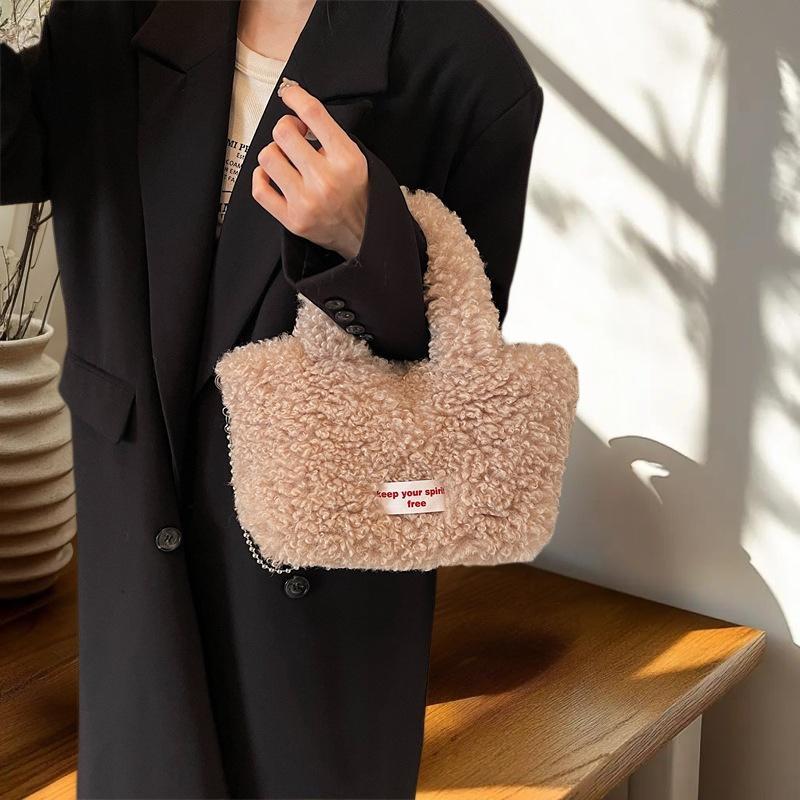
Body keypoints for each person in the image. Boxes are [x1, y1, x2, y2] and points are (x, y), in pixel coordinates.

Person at [0, 0, 544, 797]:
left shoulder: (467, 69)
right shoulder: (112, 15)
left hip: (318, 626)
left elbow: (453, 374)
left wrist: (366, 239)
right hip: (136, 581)